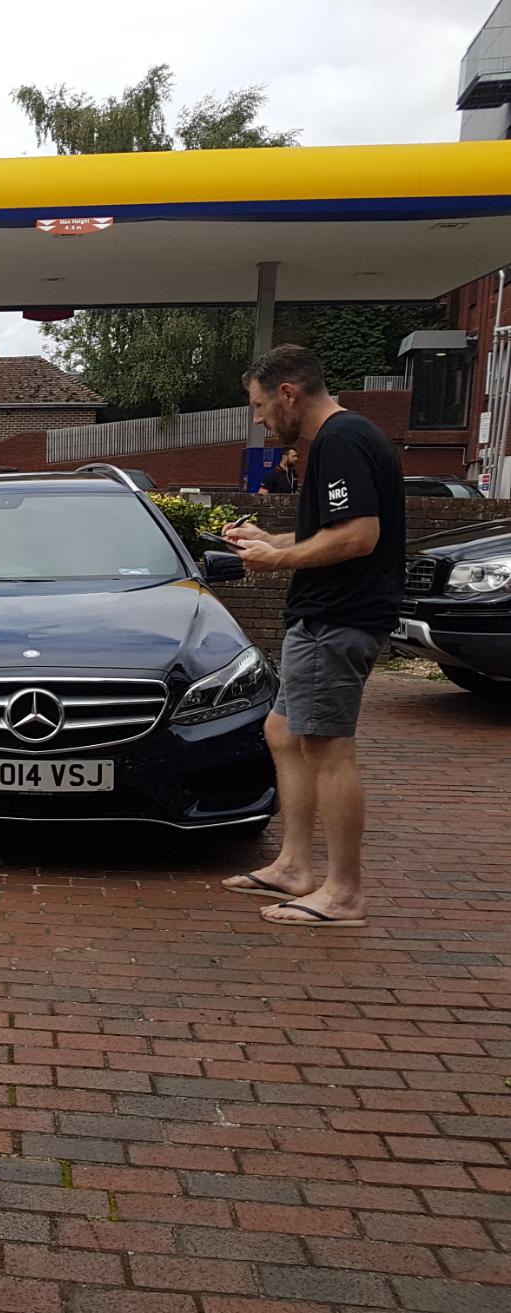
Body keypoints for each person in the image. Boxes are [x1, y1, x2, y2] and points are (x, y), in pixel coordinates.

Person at [222, 344, 404, 929]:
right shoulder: (339, 441)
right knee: (282, 730)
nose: (258, 418)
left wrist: (276, 563)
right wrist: (272, 539)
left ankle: (343, 893)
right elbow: (332, 531)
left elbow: (357, 536)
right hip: (325, 617)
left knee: (327, 747)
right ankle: (296, 867)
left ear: (288, 394)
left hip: (338, 619)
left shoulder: (341, 440)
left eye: (258, 404)